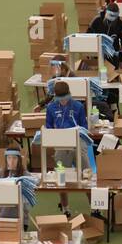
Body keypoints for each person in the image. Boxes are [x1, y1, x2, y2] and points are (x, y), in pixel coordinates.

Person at [44, 80, 88, 211]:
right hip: (61, 144)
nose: (63, 101)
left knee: (87, 175)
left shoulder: (78, 106)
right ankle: (65, 208)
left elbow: (84, 126)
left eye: (65, 97)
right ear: (55, 96)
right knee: (61, 178)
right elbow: (49, 127)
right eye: (60, 98)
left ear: (69, 94)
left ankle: (95, 208)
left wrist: (79, 132)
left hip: (78, 143)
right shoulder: (51, 108)